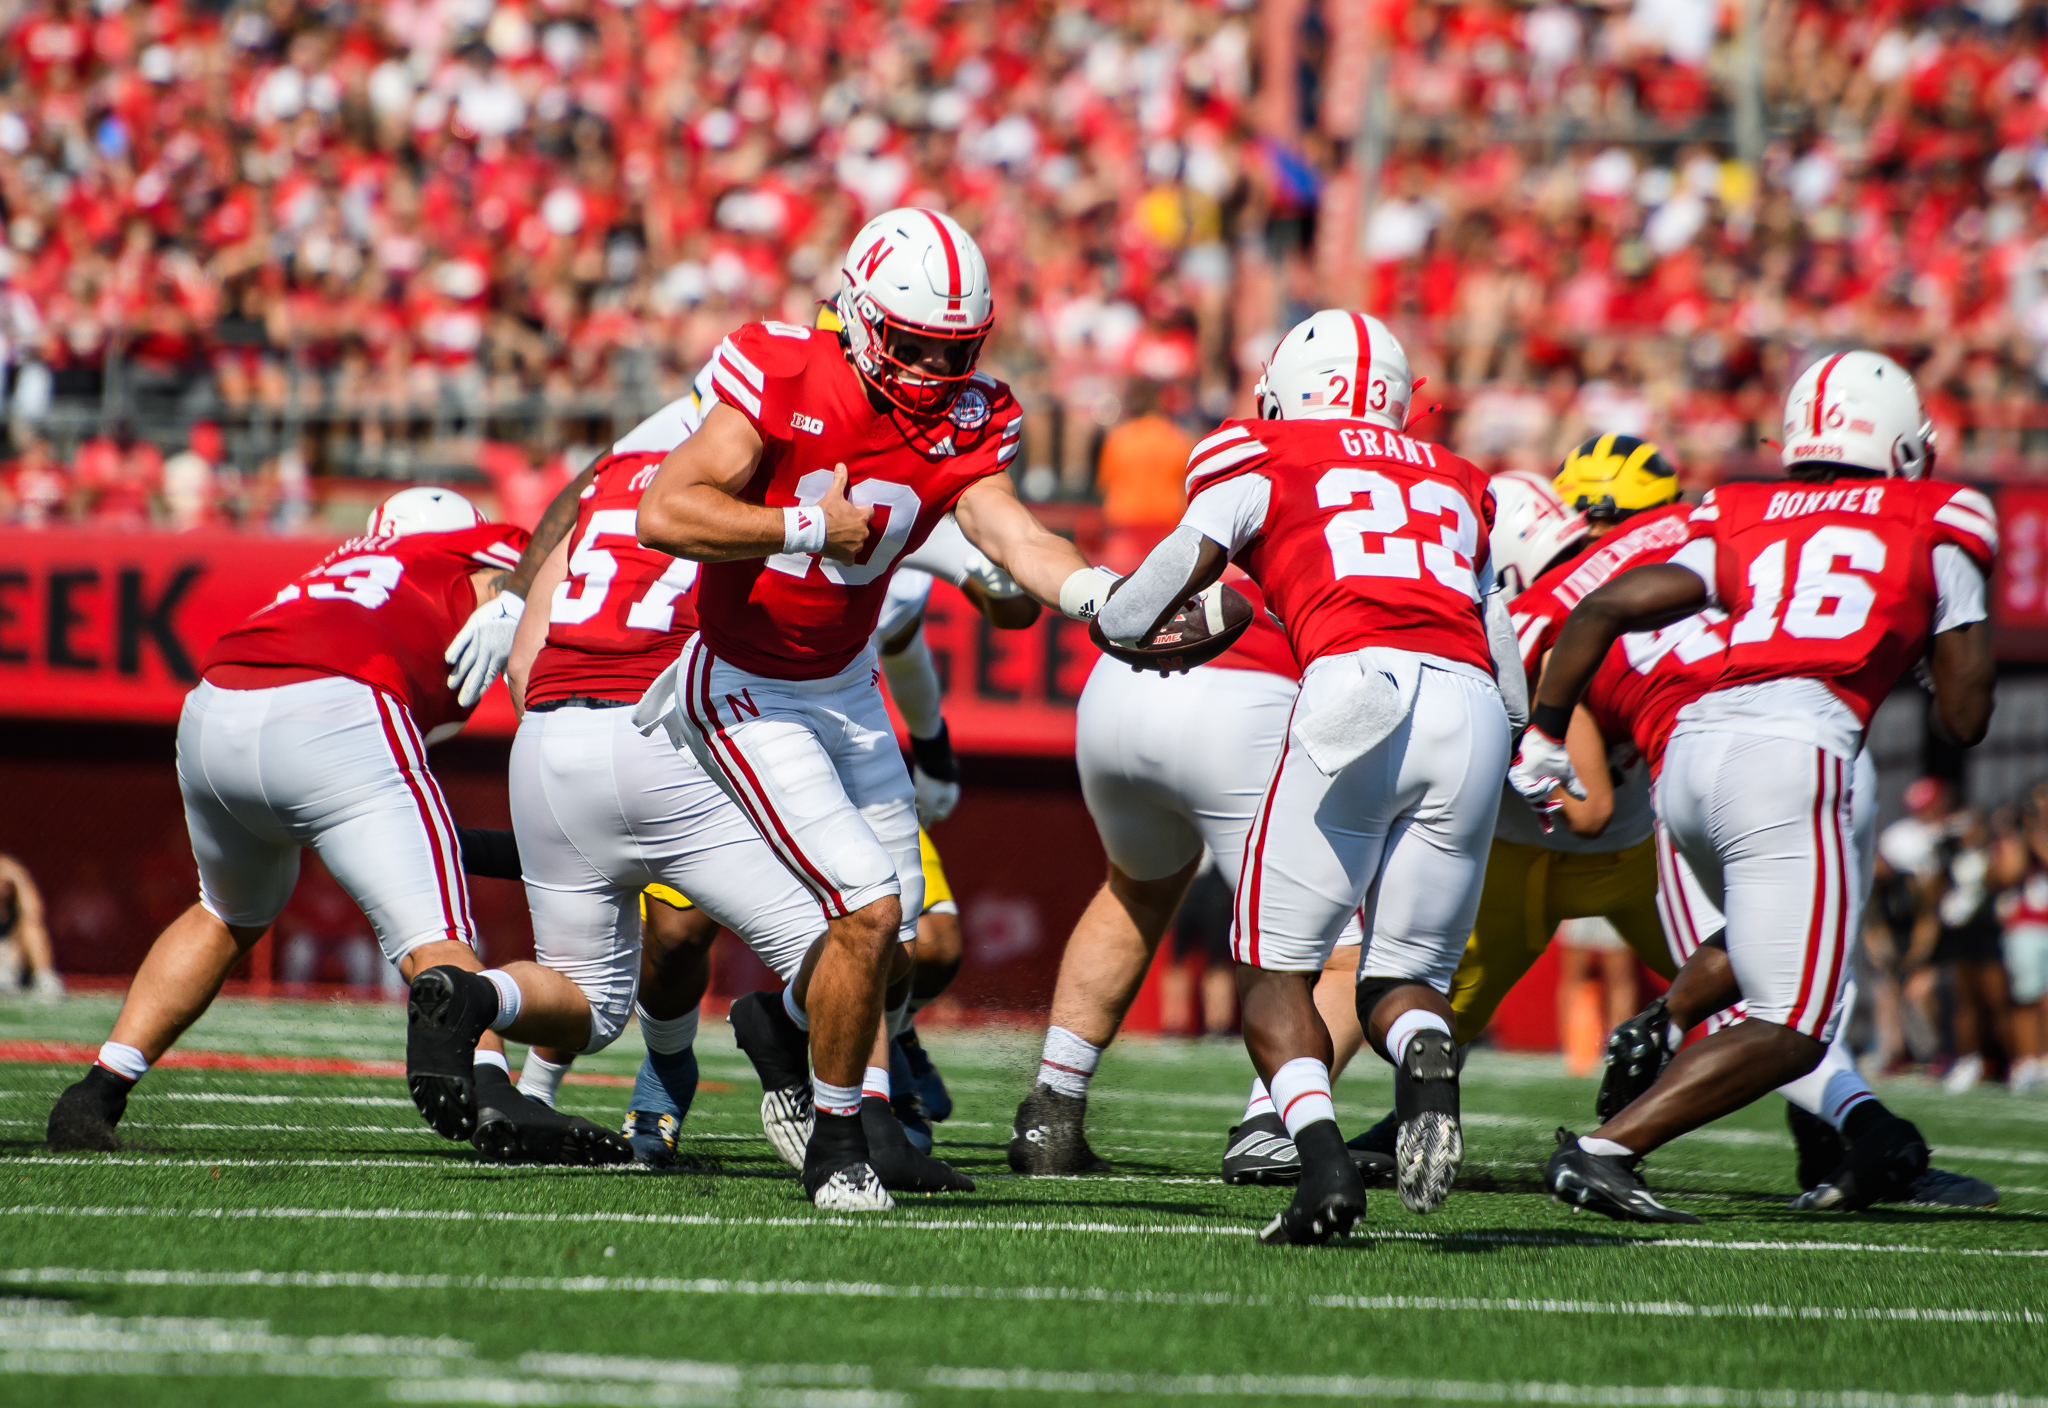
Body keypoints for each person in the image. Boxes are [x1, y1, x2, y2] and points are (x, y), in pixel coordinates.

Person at [629, 207, 1107, 1210]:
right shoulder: (781, 368)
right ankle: (836, 1141)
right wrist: (804, 524)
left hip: (844, 685)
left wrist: (1096, 596)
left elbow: (1016, 541)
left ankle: (789, 1036)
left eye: (952, 349)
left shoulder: (967, 417)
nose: (933, 371)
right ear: (853, 313)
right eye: (913, 345)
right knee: (864, 902)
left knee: (900, 934)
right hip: (745, 679)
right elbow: (663, 509)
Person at [1521, 349, 1998, 1222]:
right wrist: (1938, 645)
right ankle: (1605, 1151)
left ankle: (1673, 1037)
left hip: (1692, 756)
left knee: (1762, 947)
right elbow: (1965, 720)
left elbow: (1603, 609)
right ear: (1897, 442)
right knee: (1798, 1018)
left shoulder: (1739, 507)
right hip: (1799, 744)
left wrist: (1546, 733)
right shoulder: (1942, 512)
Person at [1098, 309, 1519, 1242]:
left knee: (1270, 970)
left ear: (1288, 387)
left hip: (1357, 688)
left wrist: (1117, 626)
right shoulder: (1459, 476)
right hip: (1476, 706)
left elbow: (1158, 585)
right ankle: (1427, 1050)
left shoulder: (1259, 447)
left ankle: (1324, 1171)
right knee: (1400, 980)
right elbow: (1509, 662)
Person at [46, 488, 622, 1163]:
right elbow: (535, 573)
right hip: (339, 702)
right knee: (435, 939)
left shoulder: (340, 567)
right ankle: (495, 1089)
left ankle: (98, 1090)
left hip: (214, 706)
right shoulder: (484, 550)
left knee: (225, 913)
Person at [1994, 792, 2048, 1094]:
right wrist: (2017, 834)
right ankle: (2027, 1061)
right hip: (2025, 927)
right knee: (2025, 996)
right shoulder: (2019, 837)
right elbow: (2008, 873)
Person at [0, 854, 61, 999]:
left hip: (11, 962)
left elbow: (34, 914)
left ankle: (45, 980)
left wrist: (20, 878)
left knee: (31, 928)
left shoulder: (14, 907)